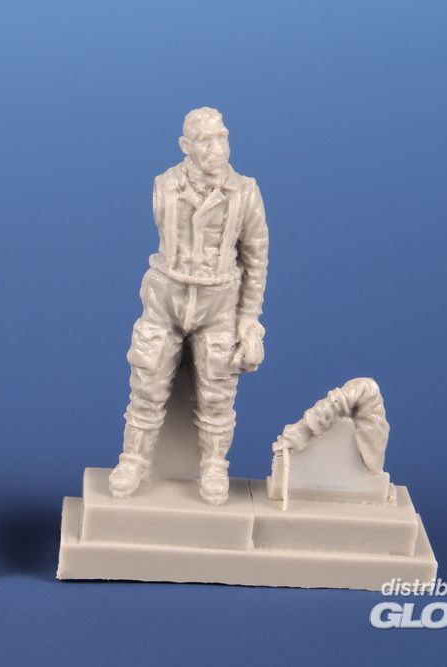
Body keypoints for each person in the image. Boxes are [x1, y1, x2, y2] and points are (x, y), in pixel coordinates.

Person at [109, 107, 269, 505]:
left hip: (218, 305)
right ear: (186, 146)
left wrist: (249, 320)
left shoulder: (245, 193)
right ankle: (134, 459)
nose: (217, 148)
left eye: (222, 138)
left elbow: (256, 261)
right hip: (166, 300)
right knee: (147, 383)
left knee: (218, 393)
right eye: (206, 141)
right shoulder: (165, 186)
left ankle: (214, 465)